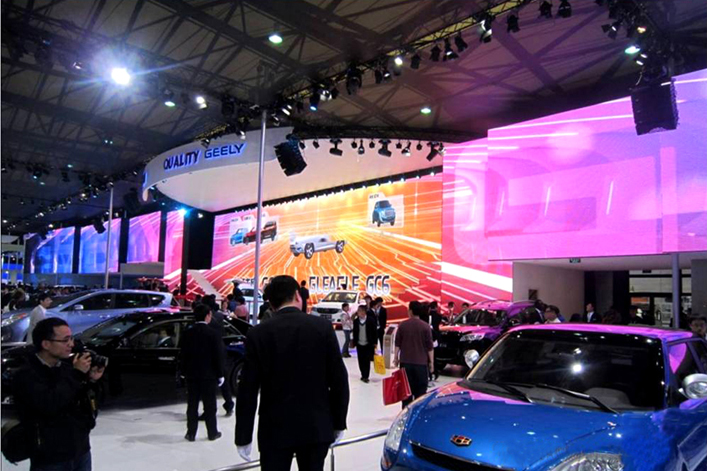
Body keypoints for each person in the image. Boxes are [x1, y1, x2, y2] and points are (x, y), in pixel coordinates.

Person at [235, 275, 349, 471]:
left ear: (271, 303)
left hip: (275, 429)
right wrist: (339, 421)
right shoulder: (322, 327)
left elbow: (248, 389)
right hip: (315, 426)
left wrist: (243, 436)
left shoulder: (258, 333)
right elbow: (339, 379)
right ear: (298, 295)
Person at [12, 318, 104, 471]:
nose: (71, 344)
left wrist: (92, 381)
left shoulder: (67, 368)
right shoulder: (27, 375)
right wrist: (77, 375)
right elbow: (50, 404)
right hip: (50, 456)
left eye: (71, 338)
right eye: (65, 340)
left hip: (80, 450)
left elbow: (88, 407)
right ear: (46, 344)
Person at [180, 304, 225, 442]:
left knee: (192, 404)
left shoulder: (187, 333)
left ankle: (191, 433)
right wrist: (220, 374)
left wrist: (183, 371)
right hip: (209, 375)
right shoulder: (213, 334)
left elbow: (183, 355)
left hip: (191, 374)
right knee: (210, 404)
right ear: (208, 315)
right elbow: (218, 356)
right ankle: (212, 432)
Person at [394, 301, 434, 407]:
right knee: (420, 395)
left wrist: (396, 358)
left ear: (410, 311)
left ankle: (406, 413)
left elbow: (397, 344)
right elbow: (430, 347)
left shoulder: (402, 325)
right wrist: (432, 363)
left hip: (405, 364)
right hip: (421, 365)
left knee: (406, 394)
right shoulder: (426, 327)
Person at [206, 303, 234, 417]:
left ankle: (210, 410)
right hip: (220, 350)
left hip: (212, 352)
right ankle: (229, 404)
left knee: (213, 383)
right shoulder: (219, 317)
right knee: (223, 381)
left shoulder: (210, 321)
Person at [352, 304, 378, 383]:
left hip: (368, 344)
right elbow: (355, 332)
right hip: (359, 344)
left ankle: (366, 376)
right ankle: (363, 374)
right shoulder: (356, 321)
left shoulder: (370, 320)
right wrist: (354, 342)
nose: (360, 312)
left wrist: (375, 342)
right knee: (360, 360)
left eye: (361, 311)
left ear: (365, 312)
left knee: (367, 360)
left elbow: (374, 332)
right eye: (358, 311)